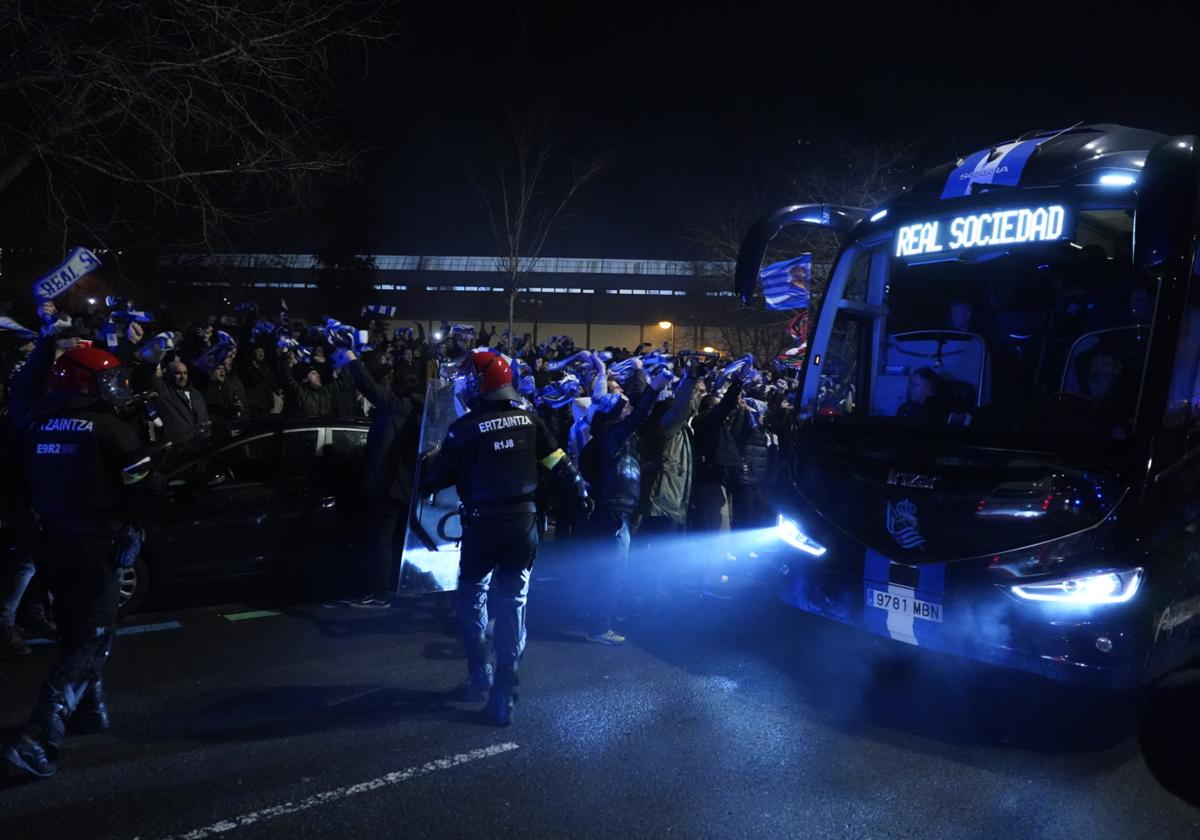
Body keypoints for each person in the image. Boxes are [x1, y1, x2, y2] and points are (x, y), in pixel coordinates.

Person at [3, 346, 159, 779]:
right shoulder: (110, 429)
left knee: (74, 632)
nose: (116, 388)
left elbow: (16, 487)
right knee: (91, 639)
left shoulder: (32, 425)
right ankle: (36, 739)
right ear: (85, 384)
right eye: (109, 381)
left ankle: (89, 711)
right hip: (98, 547)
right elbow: (145, 487)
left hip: (52, 545)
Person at [422, 350, 591, 726]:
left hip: (481, 528)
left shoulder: (464, 429)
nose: (463, 383)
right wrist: (579, 490)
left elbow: (434, 480)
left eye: (467, 377)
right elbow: (558, 463)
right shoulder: (530, 421)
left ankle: (478, 666)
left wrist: (429, 461)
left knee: (472, 595)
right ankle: (505, 691)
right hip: (523, 526)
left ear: (482, 384)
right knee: (514, 600)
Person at [578, 363, 673, 643]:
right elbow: (640, 413)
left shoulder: (615, 436)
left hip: (618, 507)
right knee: (613, 572)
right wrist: (654, 387)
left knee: (609, 569)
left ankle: (596, 619)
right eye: (625, 406)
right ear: (616, 414)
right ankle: (599, 627)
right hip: (614, 510)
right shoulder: (612, 434)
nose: (629, 408)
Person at [336, 347, 420, 608]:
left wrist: (351, 360)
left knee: (382, 537)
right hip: (406, 484)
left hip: (390, 484)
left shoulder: (396, 405)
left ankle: (380, 593)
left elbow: (368, 385)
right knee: (399, 537)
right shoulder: (415, 406)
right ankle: (404, 586)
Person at [150, 358, 211, 444]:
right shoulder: (163, 391)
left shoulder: (197, 395)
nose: (183, 377)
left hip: (202, 445)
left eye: (185, 373)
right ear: (168, 374)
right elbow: (148, 374)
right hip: (179, 447)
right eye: (178, 373)